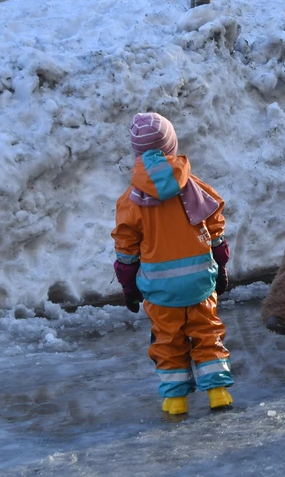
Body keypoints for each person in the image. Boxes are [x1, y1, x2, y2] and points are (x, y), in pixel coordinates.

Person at [111, 112, 234, 415]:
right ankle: (218, 393)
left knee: (167, 341)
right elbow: (215, 231)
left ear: (137, 153)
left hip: (160, 289)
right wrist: (220, 265)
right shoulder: (195, 187)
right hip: (199, 284)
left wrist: (128, 285)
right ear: (172, 146)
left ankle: (175, 400)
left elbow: (126, 251)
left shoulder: (131, 201)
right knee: (207, 334)